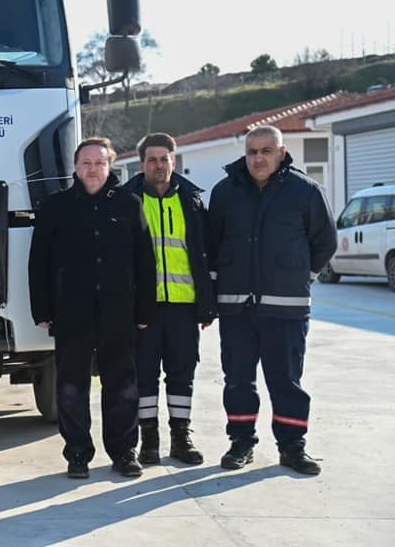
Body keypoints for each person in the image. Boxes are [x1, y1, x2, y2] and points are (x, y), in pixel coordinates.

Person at [208, 125, 337, 475]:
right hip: (236, 308)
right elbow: (212, 244)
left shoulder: (305, 191)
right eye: (252, 152)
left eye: (266, 151)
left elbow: (325, 241)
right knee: (237, 380)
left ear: (281, 153)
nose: (258, 158)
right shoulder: (225, 192)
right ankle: (241, 443)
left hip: (286, 308)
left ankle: (292, 447)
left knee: (286, 382)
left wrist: (301, 277)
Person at [28, 137, 156, 479]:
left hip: (119, 313)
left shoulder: (129, 204)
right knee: (71, 387)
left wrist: (145, 311)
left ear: (110, 165)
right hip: (71, 312)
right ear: (75, 167)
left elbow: (145, 261)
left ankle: (124, 452)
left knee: (123, 386)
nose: (93, 169)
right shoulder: (55, 207)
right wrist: (42, 309)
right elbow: (38, 262)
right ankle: (77, 454)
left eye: (99, 162)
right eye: (86, 162)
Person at [122, 133, 216, 466]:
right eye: (152, 160)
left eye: (165, 159)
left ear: (174, 161)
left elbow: (206, 256)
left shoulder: (192, 202)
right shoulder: (127, 201)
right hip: (142, 309)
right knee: (144, 376)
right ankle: (149, 440)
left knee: (181, 375)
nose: (159, 165)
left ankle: (181, 437)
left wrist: (207, 304)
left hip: (184, 307)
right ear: (141, 163)